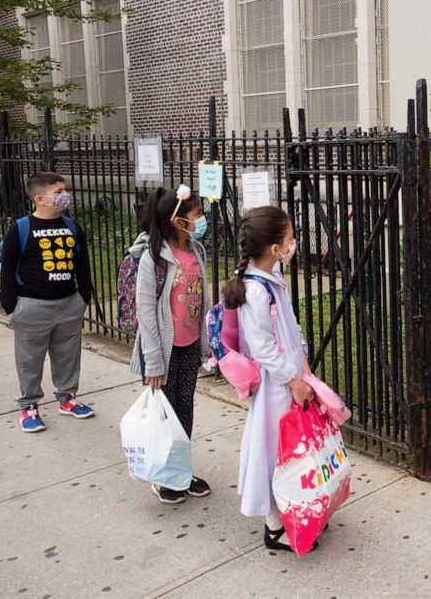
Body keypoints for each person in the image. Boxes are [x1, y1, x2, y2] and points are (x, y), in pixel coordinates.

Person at [227, 206, 319, 552]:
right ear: (273, 249)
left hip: (291, 376)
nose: (294, 243)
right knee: (273, 451)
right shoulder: (255, 291)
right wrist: (293, 379)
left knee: (291, 451)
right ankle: (274, 524)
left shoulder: (272, 279)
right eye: (290, 238)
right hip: (277, 385)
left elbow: (290, 328)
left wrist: (304, 366)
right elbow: (262, 346)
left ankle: (293, 509)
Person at [129, 186, 212, 504]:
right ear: (177, 221)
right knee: (165, 416)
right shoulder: (153, 257)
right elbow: (146, 312)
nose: (201, 219)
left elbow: (201, 302)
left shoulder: (196, 250)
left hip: (189, 345)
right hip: (162, 351)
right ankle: (165, 476)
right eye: (197, 214)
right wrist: (153, 362)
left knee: (184, 411)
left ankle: (181, 471)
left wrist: (204, 342)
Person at [0, 172, 94, 432]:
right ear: (40, 198)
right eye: (59, 191)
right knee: (30, 359)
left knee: (68, 355)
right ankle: (29, 405)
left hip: (68, 303)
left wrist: (83, 297)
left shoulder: (71, 226)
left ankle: (67, 399)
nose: (66, 196)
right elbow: (7, 269)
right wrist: (10, 307)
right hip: (31, 305)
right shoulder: (19, 228)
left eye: (65, 190)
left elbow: (82, 263)